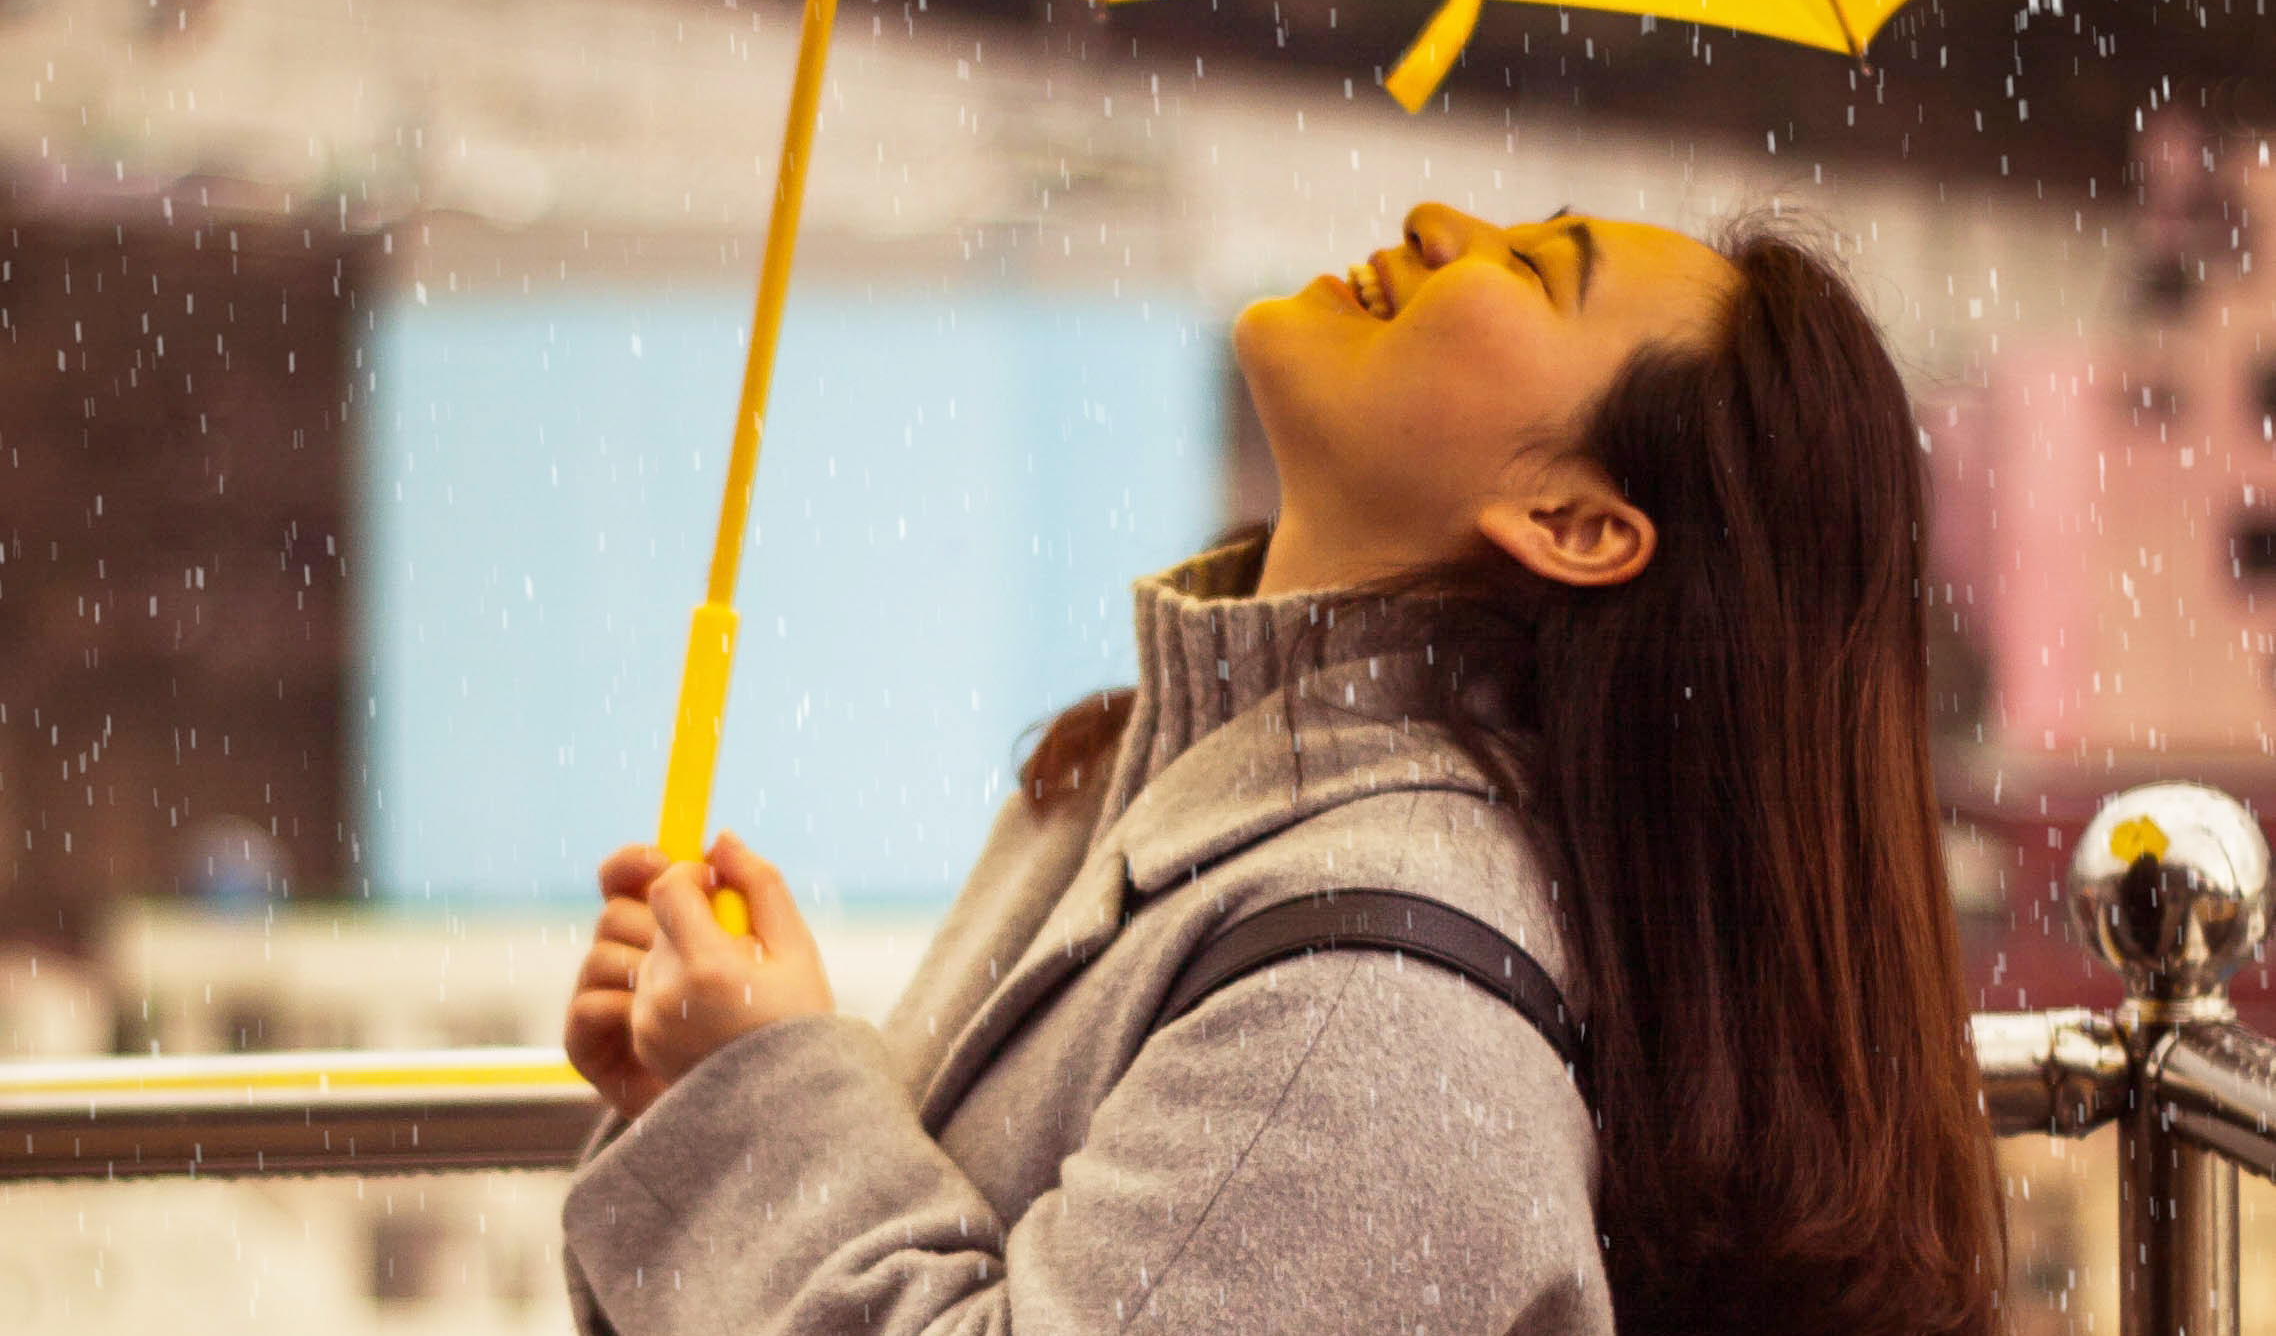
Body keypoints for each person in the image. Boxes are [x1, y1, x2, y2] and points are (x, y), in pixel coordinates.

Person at [559, 205, 2005, 1336]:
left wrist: (764, 1094)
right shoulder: (1127, 780)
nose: (1442, 219)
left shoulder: (1385, 1021)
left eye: (1534, 267)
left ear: (1572, 522)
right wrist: (702, 1101)